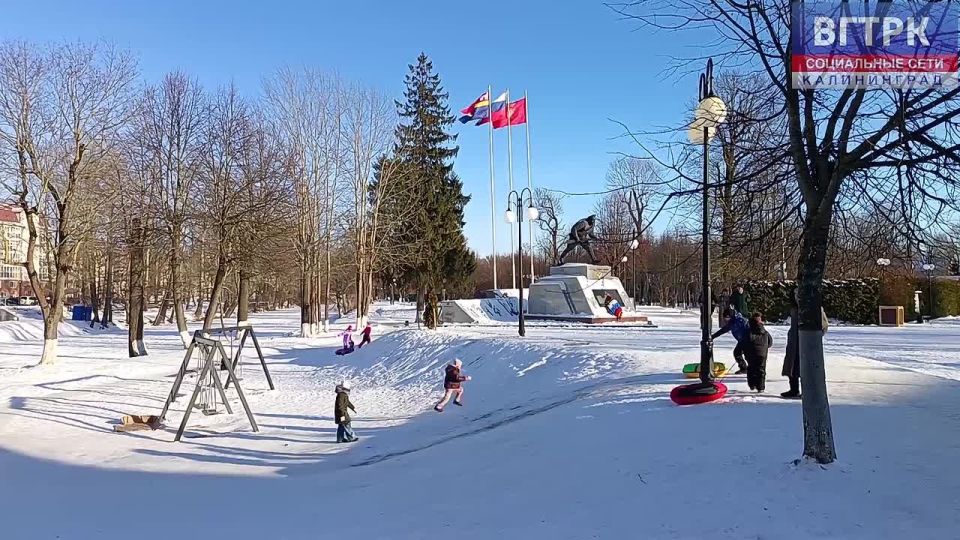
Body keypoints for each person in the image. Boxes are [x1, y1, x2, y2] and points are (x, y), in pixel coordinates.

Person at [781, 299, 829, 399]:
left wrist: (815, 337)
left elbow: (824, 325)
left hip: (807, 341)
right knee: (792, 366)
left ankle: (807, 391)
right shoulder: (795, 308)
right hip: (794, 340)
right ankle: (794, 389)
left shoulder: (815, 307)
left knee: (807, 367)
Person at [711, 307, 750, 374]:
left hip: (747, 340)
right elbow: (723, 330)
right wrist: (713, 336)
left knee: (747, 355)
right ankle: (744, 368)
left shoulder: (740, 321)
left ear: (730, 316)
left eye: (726, 318)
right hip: (741, 341)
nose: (725, 319)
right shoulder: (732, 322)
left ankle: (751, 369)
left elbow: (749, 330)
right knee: (737, 353)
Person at [743, 313, 773, 392]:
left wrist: (743, 351)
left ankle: (752, 385)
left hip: (751, 353)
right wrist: (764, 347)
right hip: (762, 354)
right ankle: (761, 387)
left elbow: (744, 342)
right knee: (761, 370)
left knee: (751, 368)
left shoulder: (748, 331)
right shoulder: (765, 332)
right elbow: (770, 342)